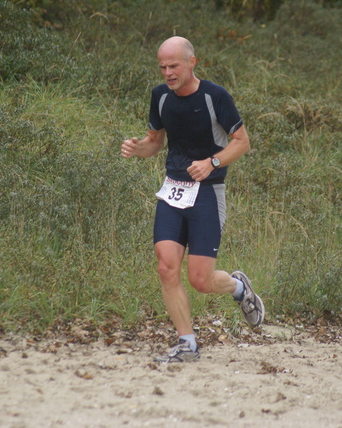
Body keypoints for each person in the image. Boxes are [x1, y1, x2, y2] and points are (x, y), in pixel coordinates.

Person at [121, 36, 264, 363]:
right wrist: (136, 148)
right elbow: (155, 142)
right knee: (166, 267)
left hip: (207, 193)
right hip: (173, 188)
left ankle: (240, 289)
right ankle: (188, 344)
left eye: (173, 66)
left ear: (191, 63)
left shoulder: (215, 96)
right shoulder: (160, 97)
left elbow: (242, 142)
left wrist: (212, 162)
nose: (168, 73)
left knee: (200, 280)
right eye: (162, 67)